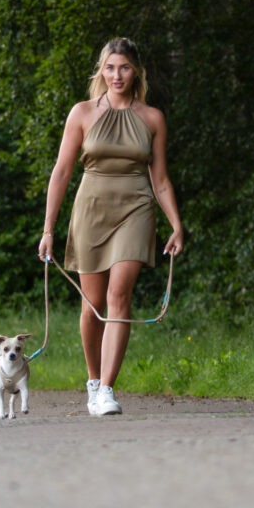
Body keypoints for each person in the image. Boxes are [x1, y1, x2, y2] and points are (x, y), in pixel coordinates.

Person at [38, 37, 184, 416]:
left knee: (120, 297)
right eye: (109, 67)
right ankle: (92, 379)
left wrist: (176, 225)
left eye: (124, 67)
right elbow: (62, 171)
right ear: (101, 71)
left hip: (136, 208)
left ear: (136, 71)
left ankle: (106, 389)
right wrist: (48, 229)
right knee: (93, 307)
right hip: (91, 210)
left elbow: (162, 179)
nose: (116, 75)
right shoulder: (82, 113)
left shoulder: (152, 118)